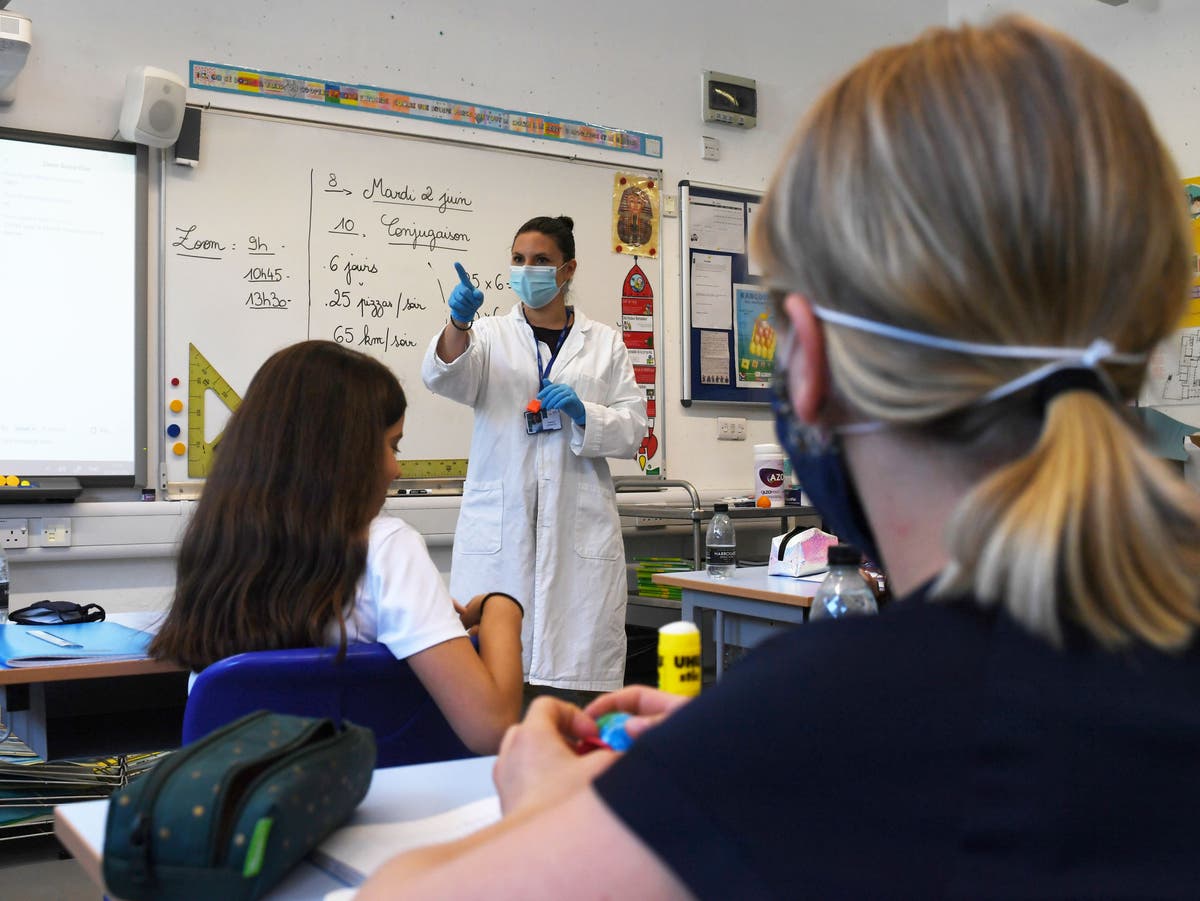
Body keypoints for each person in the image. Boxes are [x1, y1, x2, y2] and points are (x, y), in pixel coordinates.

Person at [361, 16, 1200, 898]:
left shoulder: (818, 719)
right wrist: (702, 762)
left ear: (807, 357)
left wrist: (570, 797)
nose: (528, 271)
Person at [149, 340, 523, 755]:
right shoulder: (387, 547)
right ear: (336, 452)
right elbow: (494, 730)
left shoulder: (218, 542)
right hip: (376, 807)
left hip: (243, 809)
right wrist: (503, 609)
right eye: (389, 445)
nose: (395, 468)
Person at [421, 215, 646, 696]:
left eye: (541, 261)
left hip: (577, 537)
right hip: (501, 537)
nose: (528, 270)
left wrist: (585, 414)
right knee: (492, 684)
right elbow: (444, 377)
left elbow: (634, 430)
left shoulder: (604, 344)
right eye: (519, 260)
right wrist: (459, 322)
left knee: (573, 696)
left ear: (568, 270)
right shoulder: (489, 337)